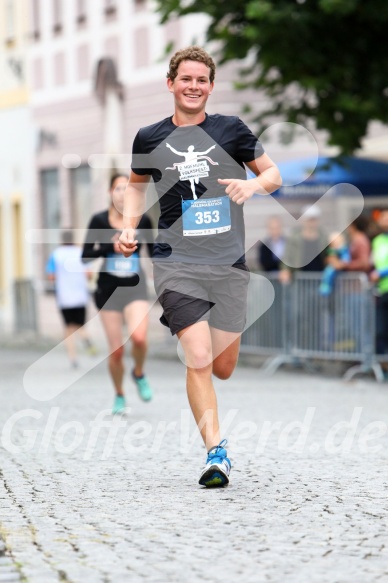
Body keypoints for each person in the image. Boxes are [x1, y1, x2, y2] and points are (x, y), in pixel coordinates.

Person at [118, 46, 282, 487]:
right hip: (177, 263)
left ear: (211, 86)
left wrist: (252, 186)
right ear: (171, 84)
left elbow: (273, 174)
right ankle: (216, 453)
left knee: (223, 366)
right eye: (186, 79)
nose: (194, 87)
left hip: (228, 262)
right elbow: (135, 187)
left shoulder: (231, 130)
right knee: (199, 355)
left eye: (202, 80)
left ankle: (214, 433)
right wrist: (130, 225)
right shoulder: (149, 137)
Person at [82, 173, 154, 414]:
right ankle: (120, 395)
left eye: (127, 188)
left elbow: (155, 253)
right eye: (118, 188)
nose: (123, 192)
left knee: (140, 339)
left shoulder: (143, 221)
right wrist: (108, 247)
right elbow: (85, 256)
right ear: (110, 193)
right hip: (108, 290)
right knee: (117, 350)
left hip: (135, 287)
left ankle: (139, 373)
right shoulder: (99, 220)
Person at [46, 230, 97, 368]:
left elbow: (51, 276)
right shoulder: (81, 253)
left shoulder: (55, 255)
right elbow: (89, 274)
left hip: (64, 297)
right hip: (81, 296)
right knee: (80, 324)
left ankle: (73, 358)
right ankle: (87, 340)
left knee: (68, 328)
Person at [370, 209, 388, 362]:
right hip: (382, 291)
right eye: (384, 218)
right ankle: (383, 364)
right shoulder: (377, 241)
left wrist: (382, 272)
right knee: (381, 330)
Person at [319, 231, 351, 296]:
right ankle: (325, 286)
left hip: (344, 282)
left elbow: (342, 263)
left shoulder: (345, 250)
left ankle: (325, 286)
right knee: (329, 271)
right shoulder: (331, 251)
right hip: (336, 280)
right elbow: (330, 261)